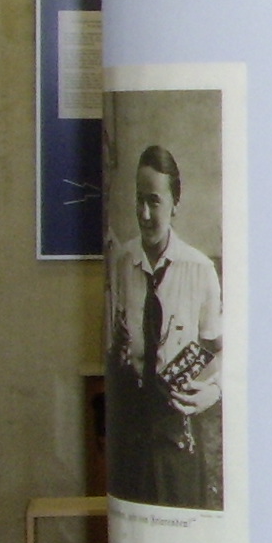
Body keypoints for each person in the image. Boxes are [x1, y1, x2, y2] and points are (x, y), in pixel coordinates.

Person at [106, 144, 222, 508]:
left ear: (175, 203)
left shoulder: (200, 270)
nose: (144, 214)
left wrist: (214, 390)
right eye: (139, 200)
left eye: (154, 201)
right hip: (133, 431)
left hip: (176, 433)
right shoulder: (123, 262)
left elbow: (219, 349)